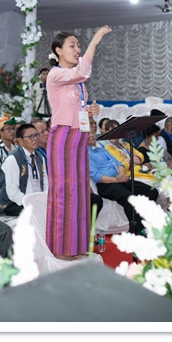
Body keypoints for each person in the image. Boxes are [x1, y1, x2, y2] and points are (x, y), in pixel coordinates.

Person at [45, 26, 111, 260]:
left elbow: (76, 107)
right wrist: (95, 40)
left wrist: (90, 110)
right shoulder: (55, 74)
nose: (77, 49)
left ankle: (77, 246)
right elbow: (83, 71)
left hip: (79, 136)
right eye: (72, 46)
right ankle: (60, 249)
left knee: (81, 192)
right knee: (64, 193)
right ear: (58, 51)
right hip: (63, 138)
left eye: (79, 45)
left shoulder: (76, 82)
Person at [88, 119, 159, 236]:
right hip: (106, 184)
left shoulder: (101, 149)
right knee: (130, 198)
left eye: (93, 133)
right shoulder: (86, 153)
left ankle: (142, 220)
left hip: (119, 179)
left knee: (152, 191)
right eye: (90, 134)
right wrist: (116, 179)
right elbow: (96, 176)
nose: (93, 135)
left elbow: (119, 163)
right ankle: (137, 231)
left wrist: (121, 175)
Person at [0, 123, 47, 217]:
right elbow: (13, 192)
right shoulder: (13, 159)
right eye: (30, 137)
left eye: (36, 135)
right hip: (13, 205)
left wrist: (44, 200)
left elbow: (45, 183)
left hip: (35, 201)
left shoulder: (39, 157)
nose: (35, 139)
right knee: (39, 214)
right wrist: (31, 204)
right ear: (20, 141)